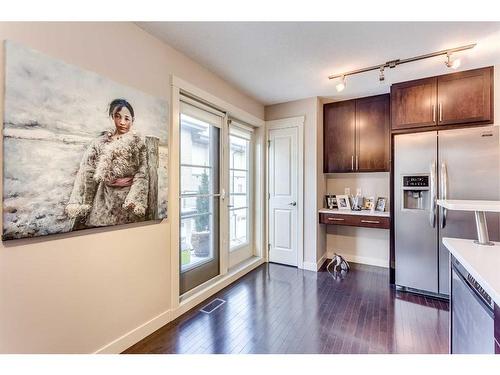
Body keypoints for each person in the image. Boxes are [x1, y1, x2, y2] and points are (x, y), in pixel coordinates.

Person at [65, 98, 149, 227]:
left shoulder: (138, 143)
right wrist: (82, 201)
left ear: (133, 120)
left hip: (127, 200)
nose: (122, 122)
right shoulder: (99, 143)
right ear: (112, 117)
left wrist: (134, 199)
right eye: (117, 117)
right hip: (103, 197)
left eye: (126, 118)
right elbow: (87, 171)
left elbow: (142, 173)